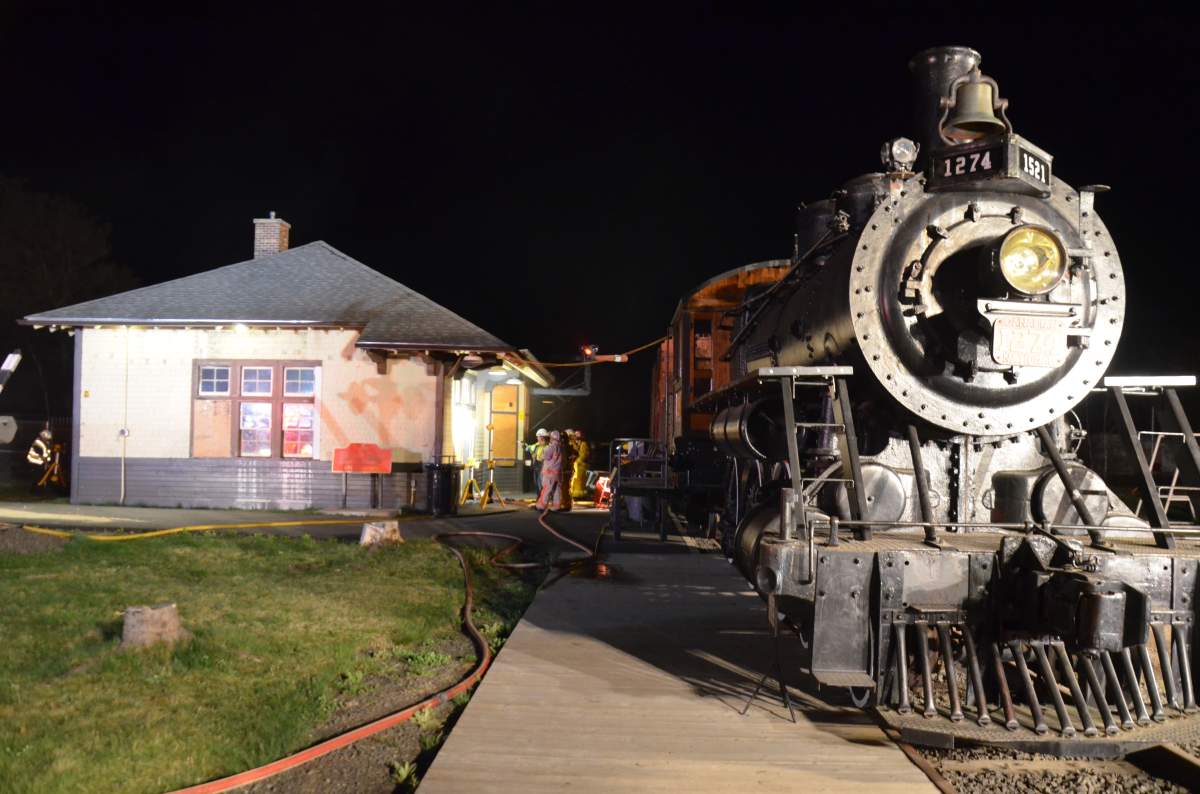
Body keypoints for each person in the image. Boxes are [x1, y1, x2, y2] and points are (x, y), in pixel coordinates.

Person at [535, 430, 563, 511]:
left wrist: (540, 455)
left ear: (552, 438)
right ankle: (556, 506)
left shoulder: (551, 447)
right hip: (558, 473)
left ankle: (541, 506)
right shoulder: (561, 447)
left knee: (546, 489)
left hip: (549, 473)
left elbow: (545, 456)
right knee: (556, 490)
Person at [527, 428, 549, 495]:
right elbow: (530, 448)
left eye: (538, 437)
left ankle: (542, 498)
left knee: (541, 483)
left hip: (543, 467)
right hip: (536, 467)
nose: (537, 438)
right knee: (536, 483)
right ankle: (539, 497)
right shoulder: (537, 445)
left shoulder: (547, 447)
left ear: (542, 437)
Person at [570, 430, 590, 500]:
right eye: (575, 435)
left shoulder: (584, 444)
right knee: (575, 481)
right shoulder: (576, 443)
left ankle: (580, 496)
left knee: (579, 482)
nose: (575, 436)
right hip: (577, 465)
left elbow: (583, 455)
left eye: (577, 435)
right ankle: (575, 495)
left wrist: (576, 461)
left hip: (581, 466)